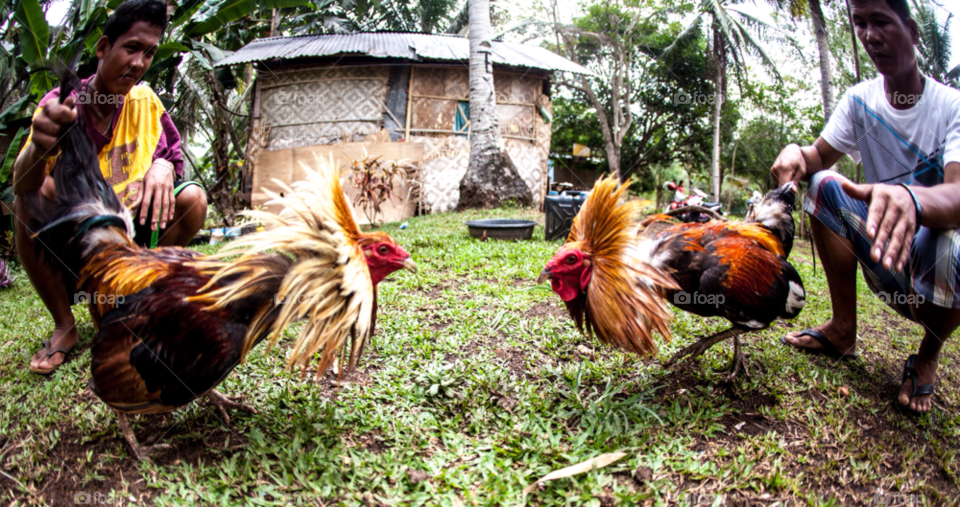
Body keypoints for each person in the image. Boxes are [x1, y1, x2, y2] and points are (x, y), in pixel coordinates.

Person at [770, 0, 960, 414]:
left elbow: (959, 193)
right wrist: (796, 153)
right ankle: (842, 329)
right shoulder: (859, 102)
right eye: (860, 23)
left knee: (954, 245)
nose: (870, 35)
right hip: (882, 252)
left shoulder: (952, 105)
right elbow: (816, 158)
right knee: (823, 184)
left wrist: (911, 197)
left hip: (940, 276)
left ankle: (927, 355)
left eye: (881, 22)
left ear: (911, 31)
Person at [12, 0, 207, 375]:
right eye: (131, 48)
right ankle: (65, 326)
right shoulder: (63, 105)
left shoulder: (146, 103)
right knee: (30, 199)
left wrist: (163, 165)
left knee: (193, 200)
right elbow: (22, 184)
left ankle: (132, 299)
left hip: (128, 248)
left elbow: (171, 155)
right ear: (103, 48)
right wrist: (37, 147)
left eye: (149, 53)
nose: (139, 62)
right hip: (74, 255)